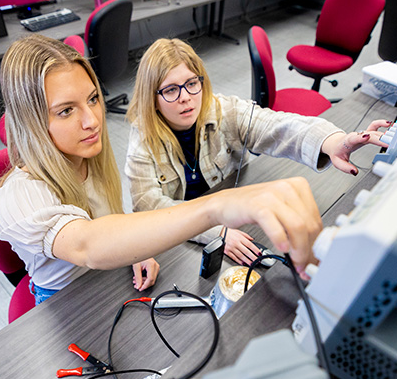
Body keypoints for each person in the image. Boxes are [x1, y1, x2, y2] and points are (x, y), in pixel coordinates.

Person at [0, 33, 326, 306]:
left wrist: (135, 252)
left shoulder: (85, 156)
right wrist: (216, 209)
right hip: (67, 302)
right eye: (66, 111)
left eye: (93, 99)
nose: (92, 121)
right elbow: (87, 245)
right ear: (30, 121)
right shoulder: (19, 195)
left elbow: (112, 225)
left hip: (111, 280)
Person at [125, 37, 388, 266]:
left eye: (192, 83)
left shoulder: (223, 110)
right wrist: (214, 231)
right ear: (152, 98)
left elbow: (278, 127)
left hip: (234, 218)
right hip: (183, 240)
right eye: (171, 89)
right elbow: (149, 206)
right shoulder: (142, 138)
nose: (185, 97)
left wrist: (334, 142)